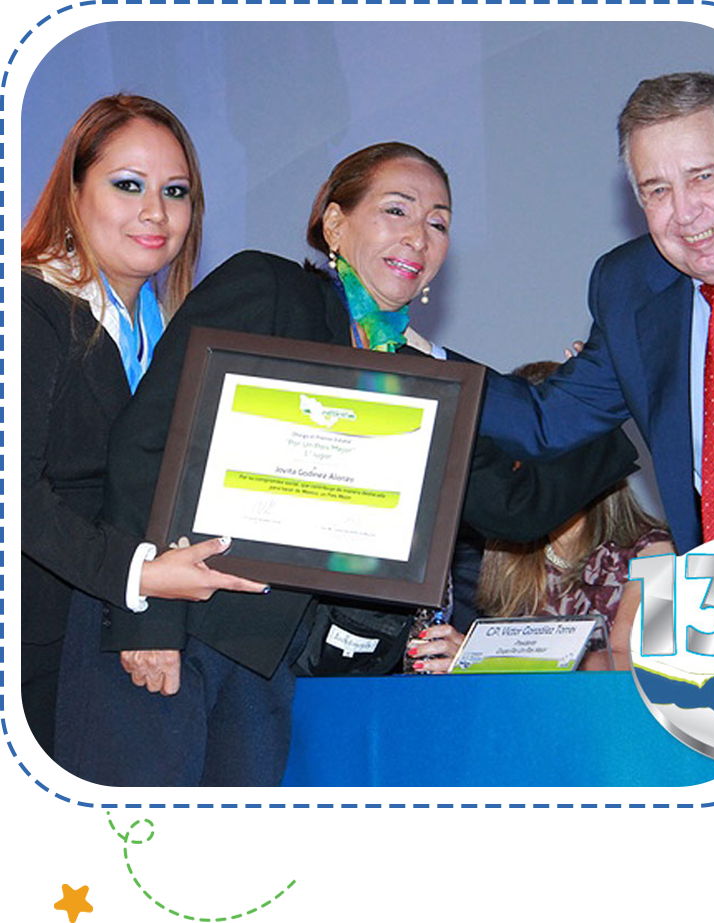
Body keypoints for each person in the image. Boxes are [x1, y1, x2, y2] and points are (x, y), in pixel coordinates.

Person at [57, 142, 638, 789]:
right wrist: (149, 618)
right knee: (131, 867)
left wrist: (615, 397)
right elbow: (147, 442)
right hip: (172, 632)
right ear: (334, 223)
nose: (419, 235)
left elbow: (512, 504)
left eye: (439, 222)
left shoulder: (426, 376)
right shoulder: (271, 291)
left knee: (222, 878)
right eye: (397, 209)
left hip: (264, 668)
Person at [21, 94, 267, 787]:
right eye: (127, 184)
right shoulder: (29, 305)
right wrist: (142, 574)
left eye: (175, 191)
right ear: (73, 191)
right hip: (30, 654)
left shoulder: (166, 334)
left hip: (98, 658)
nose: (155, 212)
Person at [477, 72, 714, 555]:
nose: (685, 213)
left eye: (702, 177)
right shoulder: (631, 287)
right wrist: (418, 365)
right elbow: (547, 422)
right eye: (657, 190)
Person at [408, 360, 675, 674]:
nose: (514, 467)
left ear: (586, 456)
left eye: (537, 446)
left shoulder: (656, 551)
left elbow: (629, 662)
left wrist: (486, 657)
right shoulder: (505, 553)